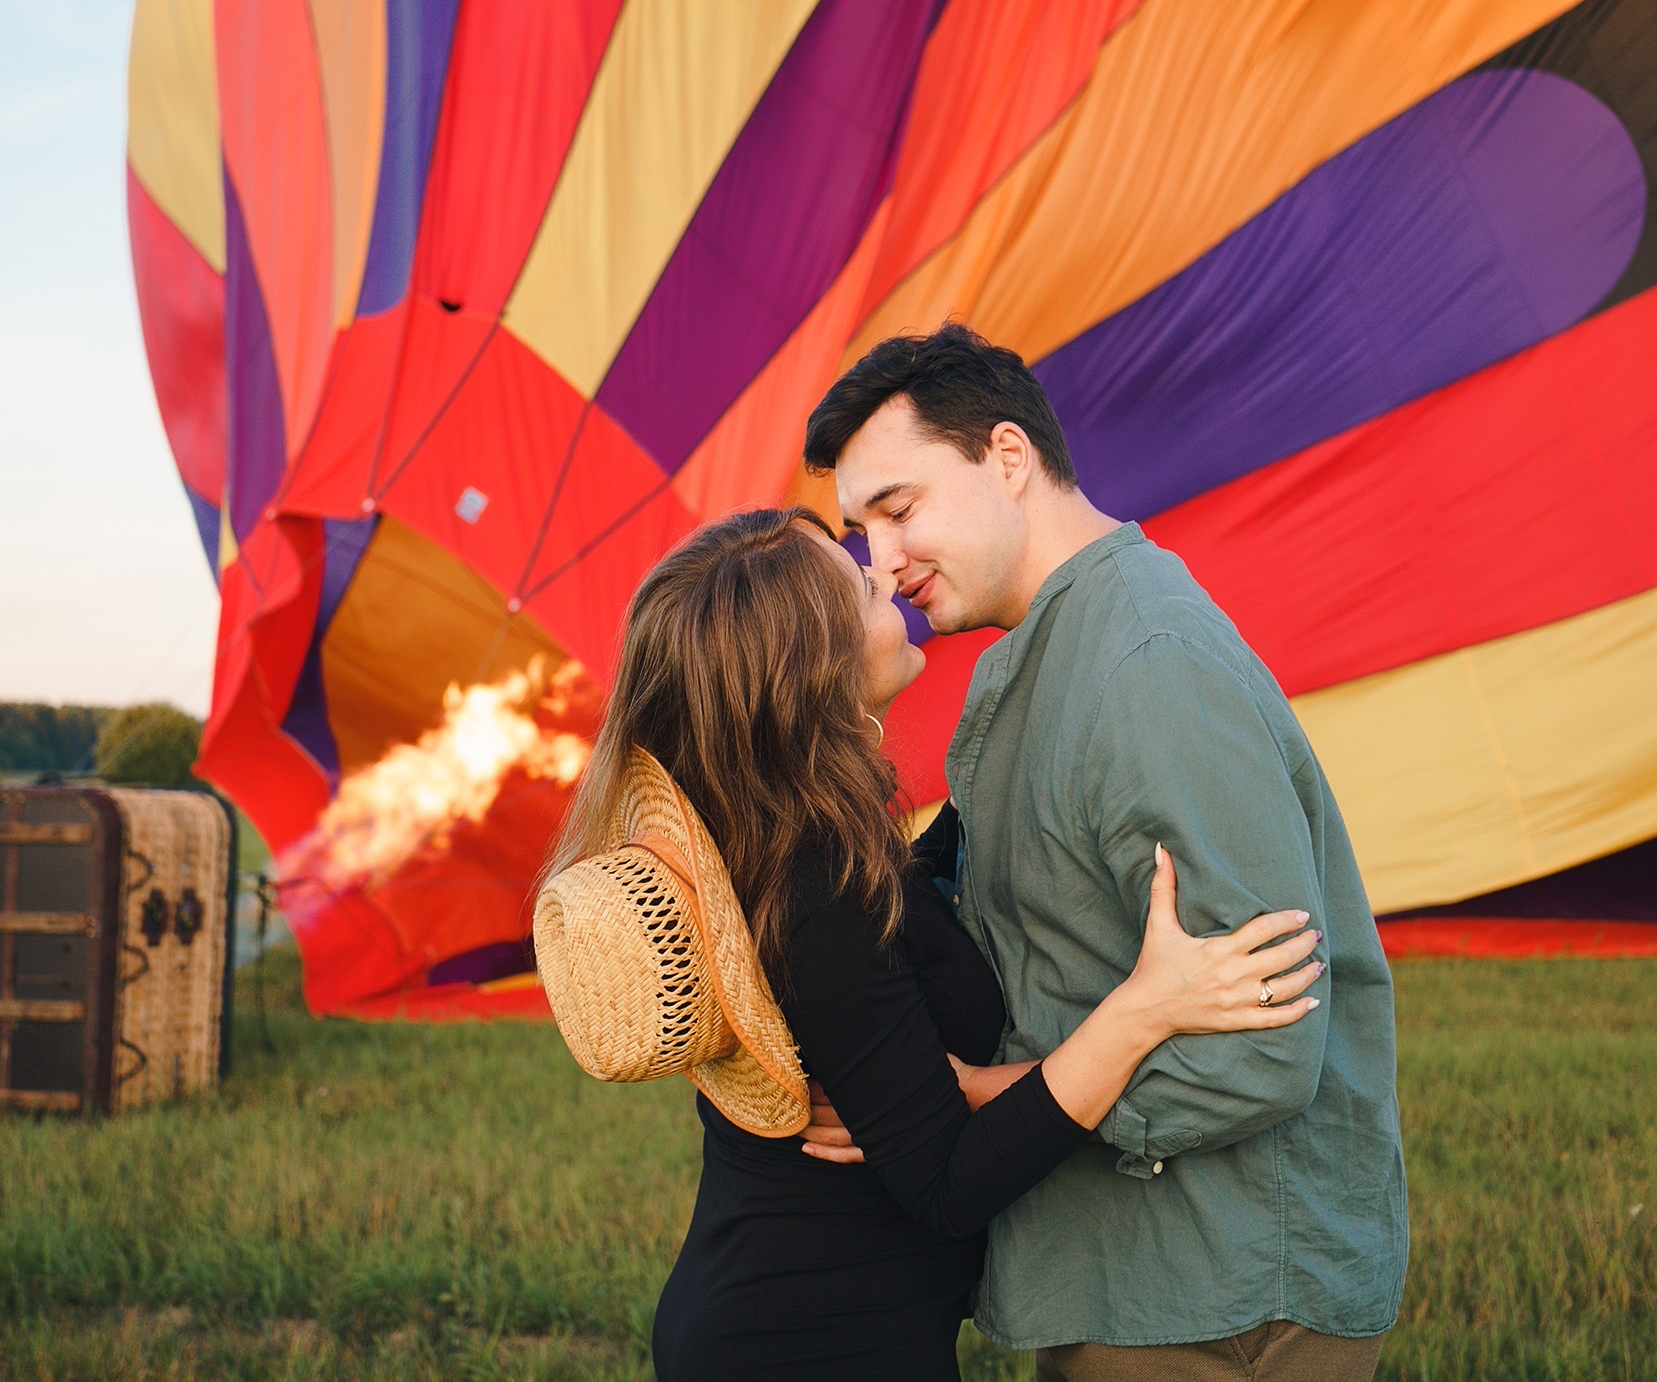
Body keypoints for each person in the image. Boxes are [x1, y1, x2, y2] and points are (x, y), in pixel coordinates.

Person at [543, 507, 1329, 1381]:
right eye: (864, 591)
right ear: (814, 670)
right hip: (808, 1345)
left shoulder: (782, 835)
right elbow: (949, 1185)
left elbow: (903, 919)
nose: (889, 579)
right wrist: (1143, 1008)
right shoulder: (816, 884)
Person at [799, 324, 1408, 1380]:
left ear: (1007, 457)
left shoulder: (1148, 667)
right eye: (859, 529)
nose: (880, 559)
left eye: (897, 510)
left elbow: (1263, 1048)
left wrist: (987, 1093)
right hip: (1126, 1272)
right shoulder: (1021, 665)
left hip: (1215, 1291)